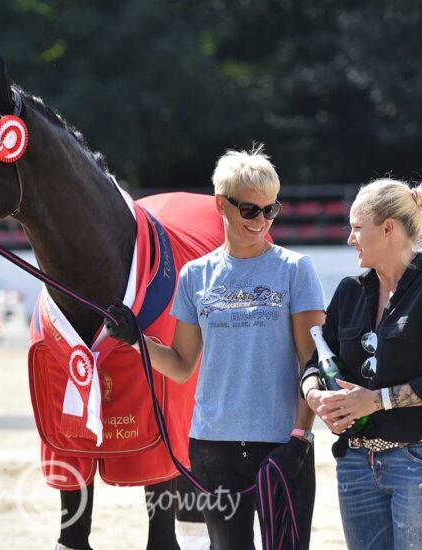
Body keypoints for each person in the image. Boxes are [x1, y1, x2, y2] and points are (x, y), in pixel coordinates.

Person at [106, 145, 325, 549]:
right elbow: (180, 364)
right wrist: (137, 340)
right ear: (221, 205)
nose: (261, 221)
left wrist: (300, 436)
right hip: (213, 446)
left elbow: (312, 361)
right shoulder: (195, 275)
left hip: (283, 443)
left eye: (270, 210)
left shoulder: (296, 270)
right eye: (250, 210)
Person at [300, 179, 422, 550]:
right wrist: (314, 397)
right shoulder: (348, 292)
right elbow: (315, 363)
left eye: (357, 227)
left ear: (388, 227)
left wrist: (377, 400)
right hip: (356, 462)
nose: (350, 238)